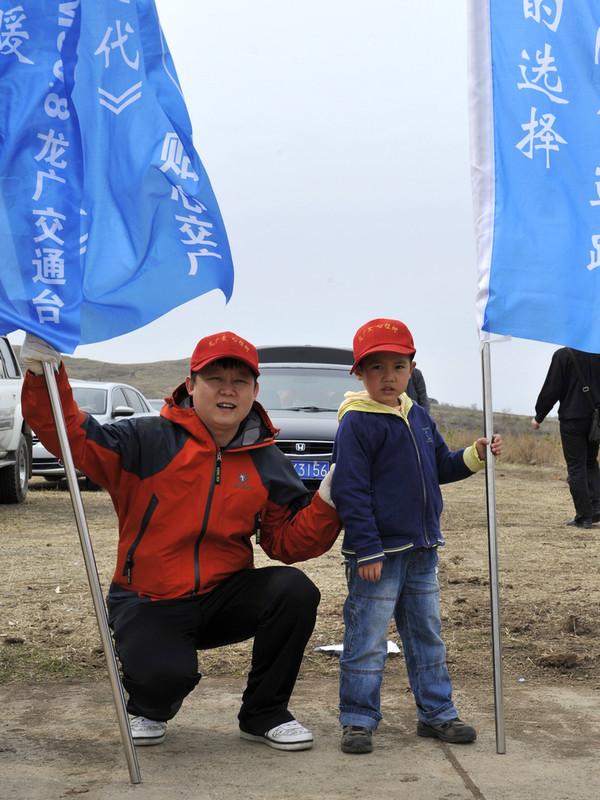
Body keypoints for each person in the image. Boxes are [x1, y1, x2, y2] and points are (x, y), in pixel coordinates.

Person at [20, 330, 341, 751]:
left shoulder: (266, 458)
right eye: (215, 379)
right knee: (164, 678)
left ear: (255, 390)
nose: (228, 390)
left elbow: (289, 545)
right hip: (149, 599)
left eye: (240, 381)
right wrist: (45, 373)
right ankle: (149, 705)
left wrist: (330, 499)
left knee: (293, 591)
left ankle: (264, 713)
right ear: (191, 384)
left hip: (223, 596)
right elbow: (72, 436)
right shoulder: (146, 440)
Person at [329, 318, 502, 755]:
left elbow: (440, 466)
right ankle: (358, 719)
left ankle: (437, 713)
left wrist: (475, 455)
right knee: (367, 638)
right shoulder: (357, 423)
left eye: (398, 366)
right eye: (376, 368)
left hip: (422, 550)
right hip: (378, 555)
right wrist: (366, 548)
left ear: (412, 369)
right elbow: (350, 490)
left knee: (427, 633)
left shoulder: (418, 415)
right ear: (359, 374)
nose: (388, 377)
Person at [531, 347, 600, 529]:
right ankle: (596, 508)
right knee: (591, 463)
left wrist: (539, 415)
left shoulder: (563, 355)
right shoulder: (597, 352)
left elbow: (552, 388)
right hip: (595, 419)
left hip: (572, 419)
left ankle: (584, 517)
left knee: (576, 466)